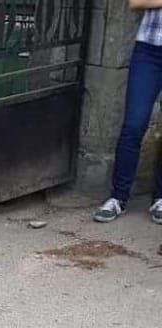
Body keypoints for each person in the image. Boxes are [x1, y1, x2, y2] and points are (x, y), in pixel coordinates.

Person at [94, 3, 162, 223]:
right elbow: (136, 2)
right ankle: (118, 197)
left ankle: (161, 198)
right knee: (134, 123)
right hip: (149, 50)